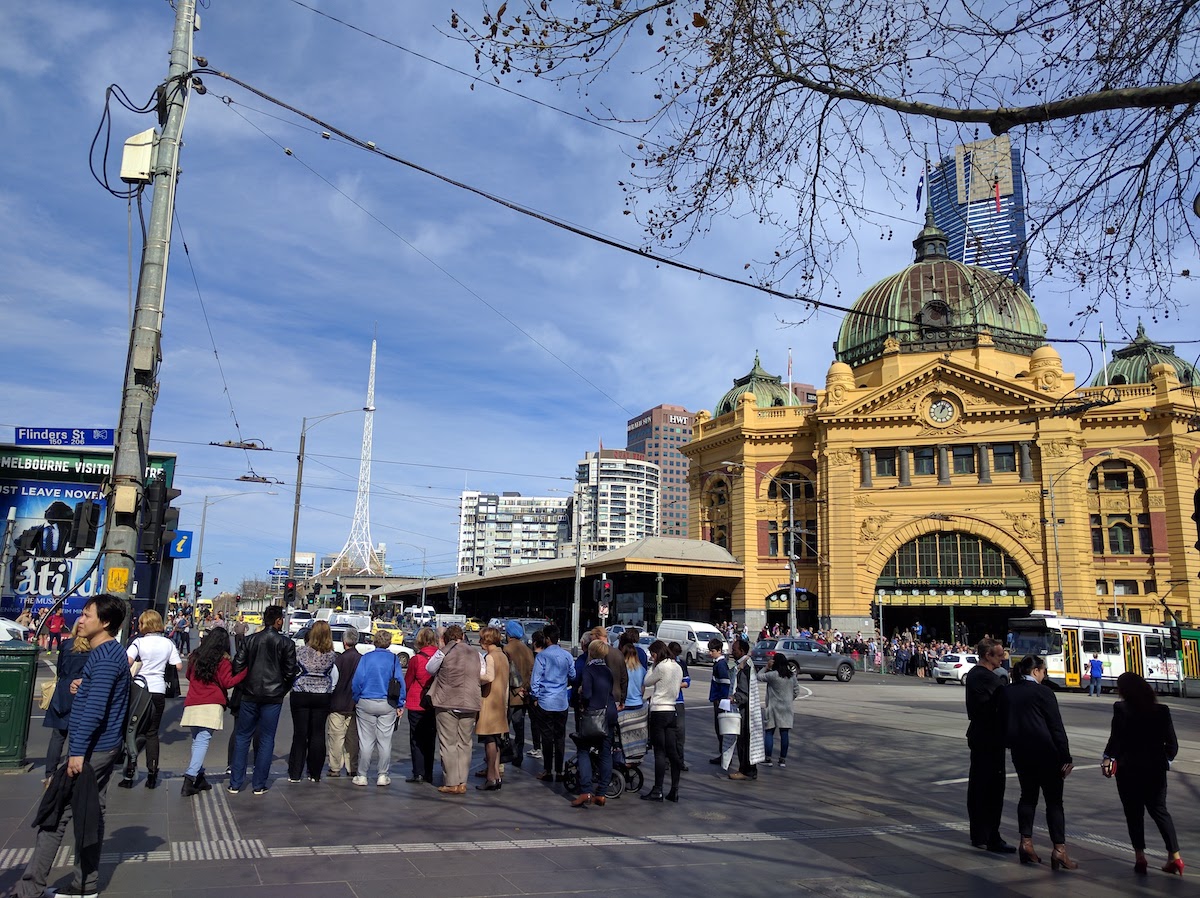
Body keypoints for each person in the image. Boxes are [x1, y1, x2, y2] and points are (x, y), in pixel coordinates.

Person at [15, 594, 129, 898]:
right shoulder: (109, 653)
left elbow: (96, 709)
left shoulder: (105, 656)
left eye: (88, 615)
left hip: (91, 750)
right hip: (99, 747)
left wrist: (77, 752)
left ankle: (30, 888)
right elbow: (102, 693)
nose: (81, 619)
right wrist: (85, 686)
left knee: (55, 814)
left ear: (105, 623)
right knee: (91, 814)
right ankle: (85, 885)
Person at [1102, 671, 1183, 875]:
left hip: (1128, 769)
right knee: (1160, 811)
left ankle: (1140, 857)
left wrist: (1108, 758)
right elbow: (1173, 745)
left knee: (1134, 813)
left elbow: (1116, 739)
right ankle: (1175, 857)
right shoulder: (1162, 710)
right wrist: (1164, 760)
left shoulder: (1121, 709)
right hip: (1155, 770)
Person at [1008, 654, 1076, 870]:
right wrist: (1065, 755)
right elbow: (1056, 726)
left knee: (1027, 797)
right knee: (1054, 801)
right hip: (1047, 753)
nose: (1044, 675)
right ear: (1036, 671)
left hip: (1021, 753)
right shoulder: (1043, 692)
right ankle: (1059, 850)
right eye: (1044, 671)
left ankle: (1026, 843)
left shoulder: (1008, 691)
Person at [229, 604, 297, 795]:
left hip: (250, 694)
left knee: (243, 737)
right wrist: (282, 689)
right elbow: (290, 672)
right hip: (273, 696)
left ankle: (236, 782)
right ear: (277, 621)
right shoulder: (286, 643)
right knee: (267, 739)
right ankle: (259, 784)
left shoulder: (250, 640)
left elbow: (238, 665)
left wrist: (245, 686)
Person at [120, 610, 182, 789]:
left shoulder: (138, 642)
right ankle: (152, 774)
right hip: (158, 691)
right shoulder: (168, 643)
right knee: (152, 733)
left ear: (144, 624)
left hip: (140, 690)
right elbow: (178, 666)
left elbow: (127, 662)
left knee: (133, 731)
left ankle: (129, 774)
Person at [181, 628, 247, 796]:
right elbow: (228, 682)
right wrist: (245, 672)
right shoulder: (222, 661)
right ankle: (190, 778)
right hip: (211, 703)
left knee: (197, 740)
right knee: (202, 741)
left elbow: (188, 676)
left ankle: (200, 776)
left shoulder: (195, 656)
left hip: (192, 702)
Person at [963, 637, 1014, 854]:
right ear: (988, 656)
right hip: (989, 737)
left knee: (978, 786)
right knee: (992, 788)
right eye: (999, 654)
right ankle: (992, 836)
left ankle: (980, 834)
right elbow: (1005, 700)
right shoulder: (985, 677)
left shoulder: (977, 675)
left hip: (980, 735)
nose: (1003, 658)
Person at [427, 624, 482, 794]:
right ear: (463, 636)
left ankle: (451, 782)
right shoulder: (476, 653)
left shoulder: (444, 652)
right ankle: (462, 782)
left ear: (448, 638)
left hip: (447, 701)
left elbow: (429, 668)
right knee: (465, 743)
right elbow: (483, 673)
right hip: (470, 702)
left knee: (448, 743)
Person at [351, 629, 404, 787]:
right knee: (384, 741)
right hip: (387, 703)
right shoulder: (394, 660)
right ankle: (382, 774)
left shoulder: (366, 658)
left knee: (366, 741)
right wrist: (400, 703)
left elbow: (357, 681)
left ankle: (362, 775)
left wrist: (356, 698)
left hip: (366, 700)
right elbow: (399, 682)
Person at [288, 619, 337, 783]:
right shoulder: (332, 656)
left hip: (301, 694)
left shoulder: (300, 652)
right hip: (322, 695)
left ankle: (295, 772)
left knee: (300, 734)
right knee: (317, 734)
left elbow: (293, 671)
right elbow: (334, 676)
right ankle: (315, 773)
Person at [570, 639, 616, 808]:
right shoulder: (607, 670)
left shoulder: (589, 670)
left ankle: (586, 791)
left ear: (591, 652)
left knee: (583, 749)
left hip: (594, 716)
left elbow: (588, 694)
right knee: (605, 752)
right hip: (609, 714)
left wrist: (581, 692)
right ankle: (602, 793)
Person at [43, 621, 91, 782]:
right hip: (81, 690)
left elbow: (60, 669)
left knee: (57, 735)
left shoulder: (66, 644)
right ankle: (69, 772)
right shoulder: (92, 647)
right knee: (76, 734)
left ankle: (49, 773)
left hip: (63, 690)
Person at [530, 623, 574, 784]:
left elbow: (535, 680)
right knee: (559, 737)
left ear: (547, 639)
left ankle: (548, 770)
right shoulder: (567, 655)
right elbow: (573, 674)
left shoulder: (542, 657)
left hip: (545, 701)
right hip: (561, 701)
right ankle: (560, 770)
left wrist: (534, 697)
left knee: (546, 737)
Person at [641, 639, 683, 801]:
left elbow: (647, 681)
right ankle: (674, 789)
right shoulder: (677, 667)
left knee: (659, 752)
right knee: (673, 752)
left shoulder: (660, 667)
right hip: (672, 710)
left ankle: (657, 789)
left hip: (659, 710)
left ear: (657, 653)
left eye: (653, 654)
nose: (652, 657)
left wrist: (652, 665)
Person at [476, 626, 510, 790]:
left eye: (481, 638)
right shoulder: (502, 656)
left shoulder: (490, 657)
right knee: (496, 741)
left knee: (489, 741)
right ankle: (496, 775)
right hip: (500, 702)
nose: (480, 642)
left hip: (489, 701)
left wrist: (475, 675)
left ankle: (491, 777)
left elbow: (488, 677)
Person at [403, 627, 438, 783]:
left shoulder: (416, 659)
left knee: (416, 738)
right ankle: (429, 772)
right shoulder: (439, 657)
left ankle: (418, 772)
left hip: (416, 702)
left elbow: (408, 681)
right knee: (430, 738)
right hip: (434, 702)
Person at [326, 626, 362, 778]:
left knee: (336, 737)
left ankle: (335, 767)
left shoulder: (339, 660)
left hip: (338, 703)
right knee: (352, 738)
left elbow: (333, 682)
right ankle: (352, 767)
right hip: (354, 704)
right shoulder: (361, 659)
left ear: (344, 642)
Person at [727, 636, 763, 781]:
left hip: (745, 712)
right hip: (748, 711)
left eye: (734, 650)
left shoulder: (745, 668)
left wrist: (734, 698)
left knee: (744, 741)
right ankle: (748, 769)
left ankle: (746, 770)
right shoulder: (745, 665)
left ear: (741, 651)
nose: (732, 652)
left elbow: (744, 692)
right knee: (746, 741)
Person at [503, 620, 535, 766]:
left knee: (504, 725)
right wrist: (526, 687)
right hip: (523, 694)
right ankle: (518, 754)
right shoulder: (527, 650)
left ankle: (504, 754)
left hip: (509, 694)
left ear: (508, 634)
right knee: (519, 725)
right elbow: (532, 671)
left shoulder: (506, 649)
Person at [761, 651, 800, 768]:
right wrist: (789, 699)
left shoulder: (773, 675)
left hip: (773, 707)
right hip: (786, 708)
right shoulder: (791, 676)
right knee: (784, 733)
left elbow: (759, 676)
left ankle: (768, 759)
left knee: (769, 732)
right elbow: (796, 691)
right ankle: (782, 759)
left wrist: (766, 667)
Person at [707, 637, 732, 764]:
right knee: (720, 729)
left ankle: (725, 756)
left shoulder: (721, 665)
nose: (710, 653)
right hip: (718, 700)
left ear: (719, 650)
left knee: (721, 729)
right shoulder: (718, 663)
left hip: (720, 701)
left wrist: (721, 701)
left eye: (712, 651)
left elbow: (725, 684)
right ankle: (723, 754)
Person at [667, 641, 690, 770]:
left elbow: (687, 682)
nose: (675, 657)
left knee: (680, 732)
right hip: (666, 702)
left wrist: (676, 684)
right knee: (666, 732)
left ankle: (680, 761)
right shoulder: (663, 664)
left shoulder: (681, 664)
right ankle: (666, 760)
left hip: (678, 701)